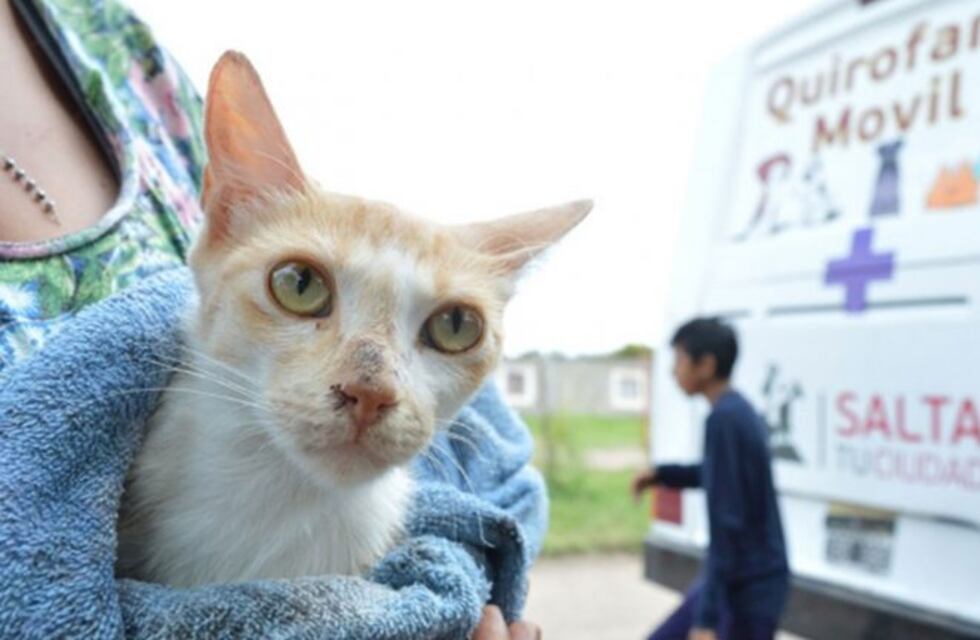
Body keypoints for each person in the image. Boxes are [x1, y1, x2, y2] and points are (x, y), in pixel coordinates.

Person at [0, 1, 540, 637]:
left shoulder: (105, 42)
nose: (373, 388)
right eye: (303, 287)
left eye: (452, 327)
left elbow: (502, 476)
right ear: (226, 221)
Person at [632, 318, 789, 640]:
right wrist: (661, 475)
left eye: (679, 360)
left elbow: (727, 522)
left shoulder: (725, 419)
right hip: (741, 577)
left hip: (749, 587)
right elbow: (714, 474)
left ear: (706, 365)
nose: (673, 371)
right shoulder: (735, 410)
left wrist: (707, 621)